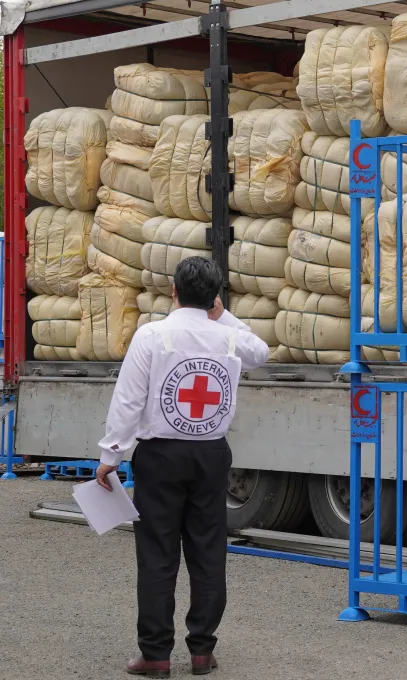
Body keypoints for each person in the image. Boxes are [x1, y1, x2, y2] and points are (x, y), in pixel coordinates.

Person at [95, 257, 270, 677]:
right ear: (215, 297)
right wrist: (221, 313)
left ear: (173, 291)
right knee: (208, 551)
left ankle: (155, 655)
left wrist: (110, 456)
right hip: (211, 454)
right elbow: (261, 352)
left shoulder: (152, 335)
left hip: (161, 456)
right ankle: (201, 652)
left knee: (158, 554)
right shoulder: (229, 337)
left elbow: (129, 399)